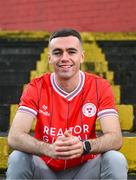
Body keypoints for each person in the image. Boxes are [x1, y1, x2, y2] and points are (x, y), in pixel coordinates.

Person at [6, 28, 128, 179]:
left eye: (71, 52)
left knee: (116, 159)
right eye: (57, 52)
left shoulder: (99, 86)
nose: (64, 58)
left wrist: (84, 146)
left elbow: (115, 138)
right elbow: (14, 136)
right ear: (49, 58)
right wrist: (49, 149)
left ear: (82, 56)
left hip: (84, 171)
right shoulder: (36, 86)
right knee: (18, 157)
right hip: (45, 171)